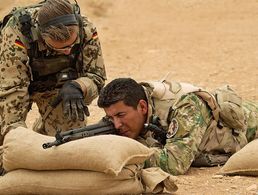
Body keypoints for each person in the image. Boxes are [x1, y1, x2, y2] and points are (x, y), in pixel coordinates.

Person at [0, 0, 106, 174]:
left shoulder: (86, 29)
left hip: (57, 89)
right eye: (60, 48)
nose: (67, 51)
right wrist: (15, 136)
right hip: (12, 84)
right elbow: (12, 90)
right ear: (42, 36)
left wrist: (79, 86)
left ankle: (42, 128)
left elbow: (97, 76)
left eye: (71, 46)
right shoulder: (16, 32)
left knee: (68, 143)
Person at [97, 78, 258, 175]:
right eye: (111, 118)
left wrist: (126, 155)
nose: (117, 125)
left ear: (142, 107)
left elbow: (175, 163)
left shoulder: (186, 107)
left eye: (120, 116)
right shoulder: (133, 104)